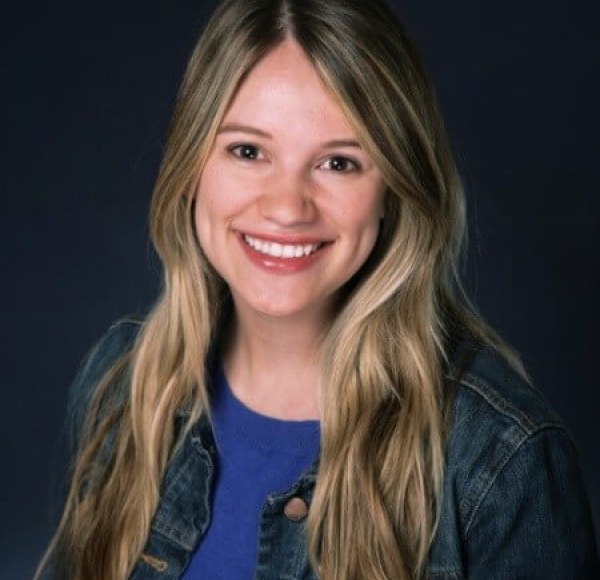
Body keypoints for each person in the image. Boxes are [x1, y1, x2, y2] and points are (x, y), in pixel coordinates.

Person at [36, 0, 599, 578]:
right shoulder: (123, 387)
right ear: (191, 166)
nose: (286, 207)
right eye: (248, 151)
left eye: (338, 163)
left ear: (394, 190)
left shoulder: (503, 460)